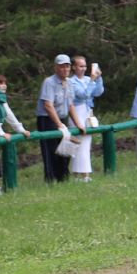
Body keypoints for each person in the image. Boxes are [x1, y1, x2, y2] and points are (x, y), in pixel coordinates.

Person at [36, 55, 79, 184]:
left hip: (62, 117)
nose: (65, 69)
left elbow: (70, 104)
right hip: (48, 119)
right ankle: (51, 179)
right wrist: (59, 124)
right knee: (51, 151)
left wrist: (78, 124)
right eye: (61, 66)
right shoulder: (49, 82)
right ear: (56, 67)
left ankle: (63, 177)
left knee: (67, 148)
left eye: (67, 66)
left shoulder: (70, 82)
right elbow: (48, 105)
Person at [68, 56, 104, 180]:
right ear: (74, 67)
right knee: (79, 142)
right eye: (80, 66)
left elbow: (98, 92)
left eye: (85, 66)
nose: (83, 69)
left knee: (86, 143)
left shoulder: (88, 79)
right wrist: (92, 81)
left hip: (88, 111)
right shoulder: (71, 82)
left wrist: (98, 78)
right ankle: (81, 174)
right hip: (77, 112)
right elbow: (83, 95)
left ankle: (83, 174)